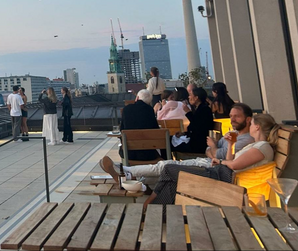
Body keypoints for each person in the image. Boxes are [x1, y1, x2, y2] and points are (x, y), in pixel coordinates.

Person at [100, 103, 255, 187]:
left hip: (212, 169)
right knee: (165, 168)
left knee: (165, 167)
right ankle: (127, 178)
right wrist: (213, 150)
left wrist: (214, 149)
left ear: (249, 120)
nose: (233, 119)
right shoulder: (234, 137)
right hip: (208, 163)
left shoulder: (244, 140)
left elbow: (220, 156)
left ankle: (123, 170)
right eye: (231, 116)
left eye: (237, 117)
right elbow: (210, 150)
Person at [146, 113, 279, 206]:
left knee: (168, 169)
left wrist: (220, 161)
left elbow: (234, 165)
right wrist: (231, 144)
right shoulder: (256, 145)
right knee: (172, 182)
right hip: (219, 173)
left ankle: (149, 203)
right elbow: (231, 161)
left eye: (252, 124)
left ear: (257, 127)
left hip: (220, 177)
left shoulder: (263, 147)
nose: (249, 127)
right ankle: (158, 213)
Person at [119, 89, 160, 161]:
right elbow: (155, 129)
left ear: (137, 98)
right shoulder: (150, 110)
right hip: (148, 154)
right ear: (149, 101)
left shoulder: (126, 109)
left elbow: (121, 129)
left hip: (129, 153)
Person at [172, 87, 214, 153]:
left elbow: (198, 125)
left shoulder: (204, 109)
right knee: (170, 140)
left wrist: (188, 112)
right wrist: (183, 133)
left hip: (199, 144)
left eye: (190, 95)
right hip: (195, 140)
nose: (189, 97)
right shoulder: (199, 108)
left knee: (169, 145)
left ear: (196, 97)